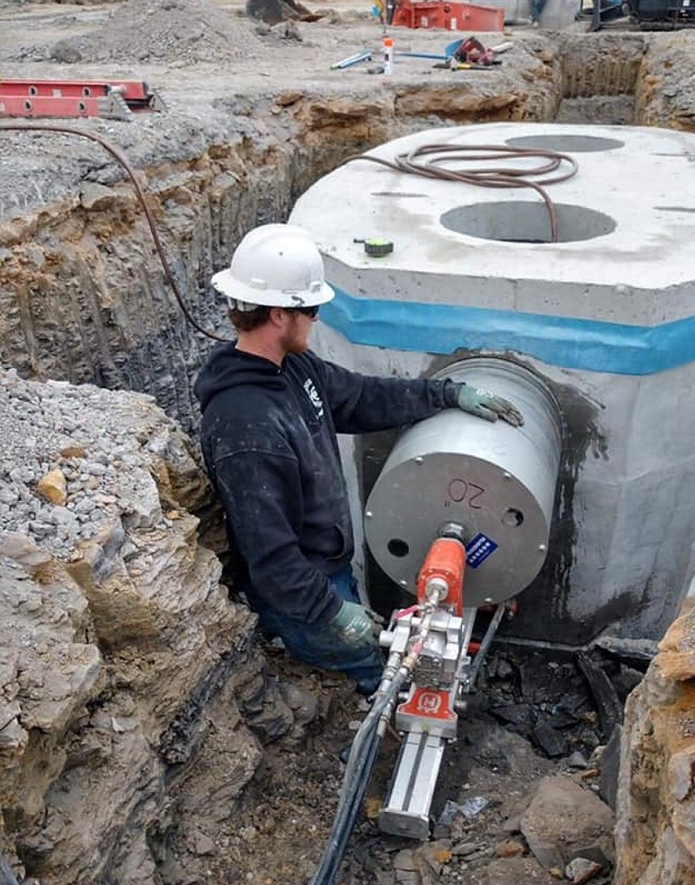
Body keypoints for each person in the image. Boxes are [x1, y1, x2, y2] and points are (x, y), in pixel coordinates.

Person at [195, 223, 523, 697]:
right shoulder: (247, 427)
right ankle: (376, 714)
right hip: (301, 595)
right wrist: (330, 612)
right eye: (311, 308)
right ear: (279, 315)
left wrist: (449, 394)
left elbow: (364, 397)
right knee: (372, 670)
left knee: (372, 647)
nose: (316, 319)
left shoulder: (292, 369)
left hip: (328, 569)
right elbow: (269, 555)